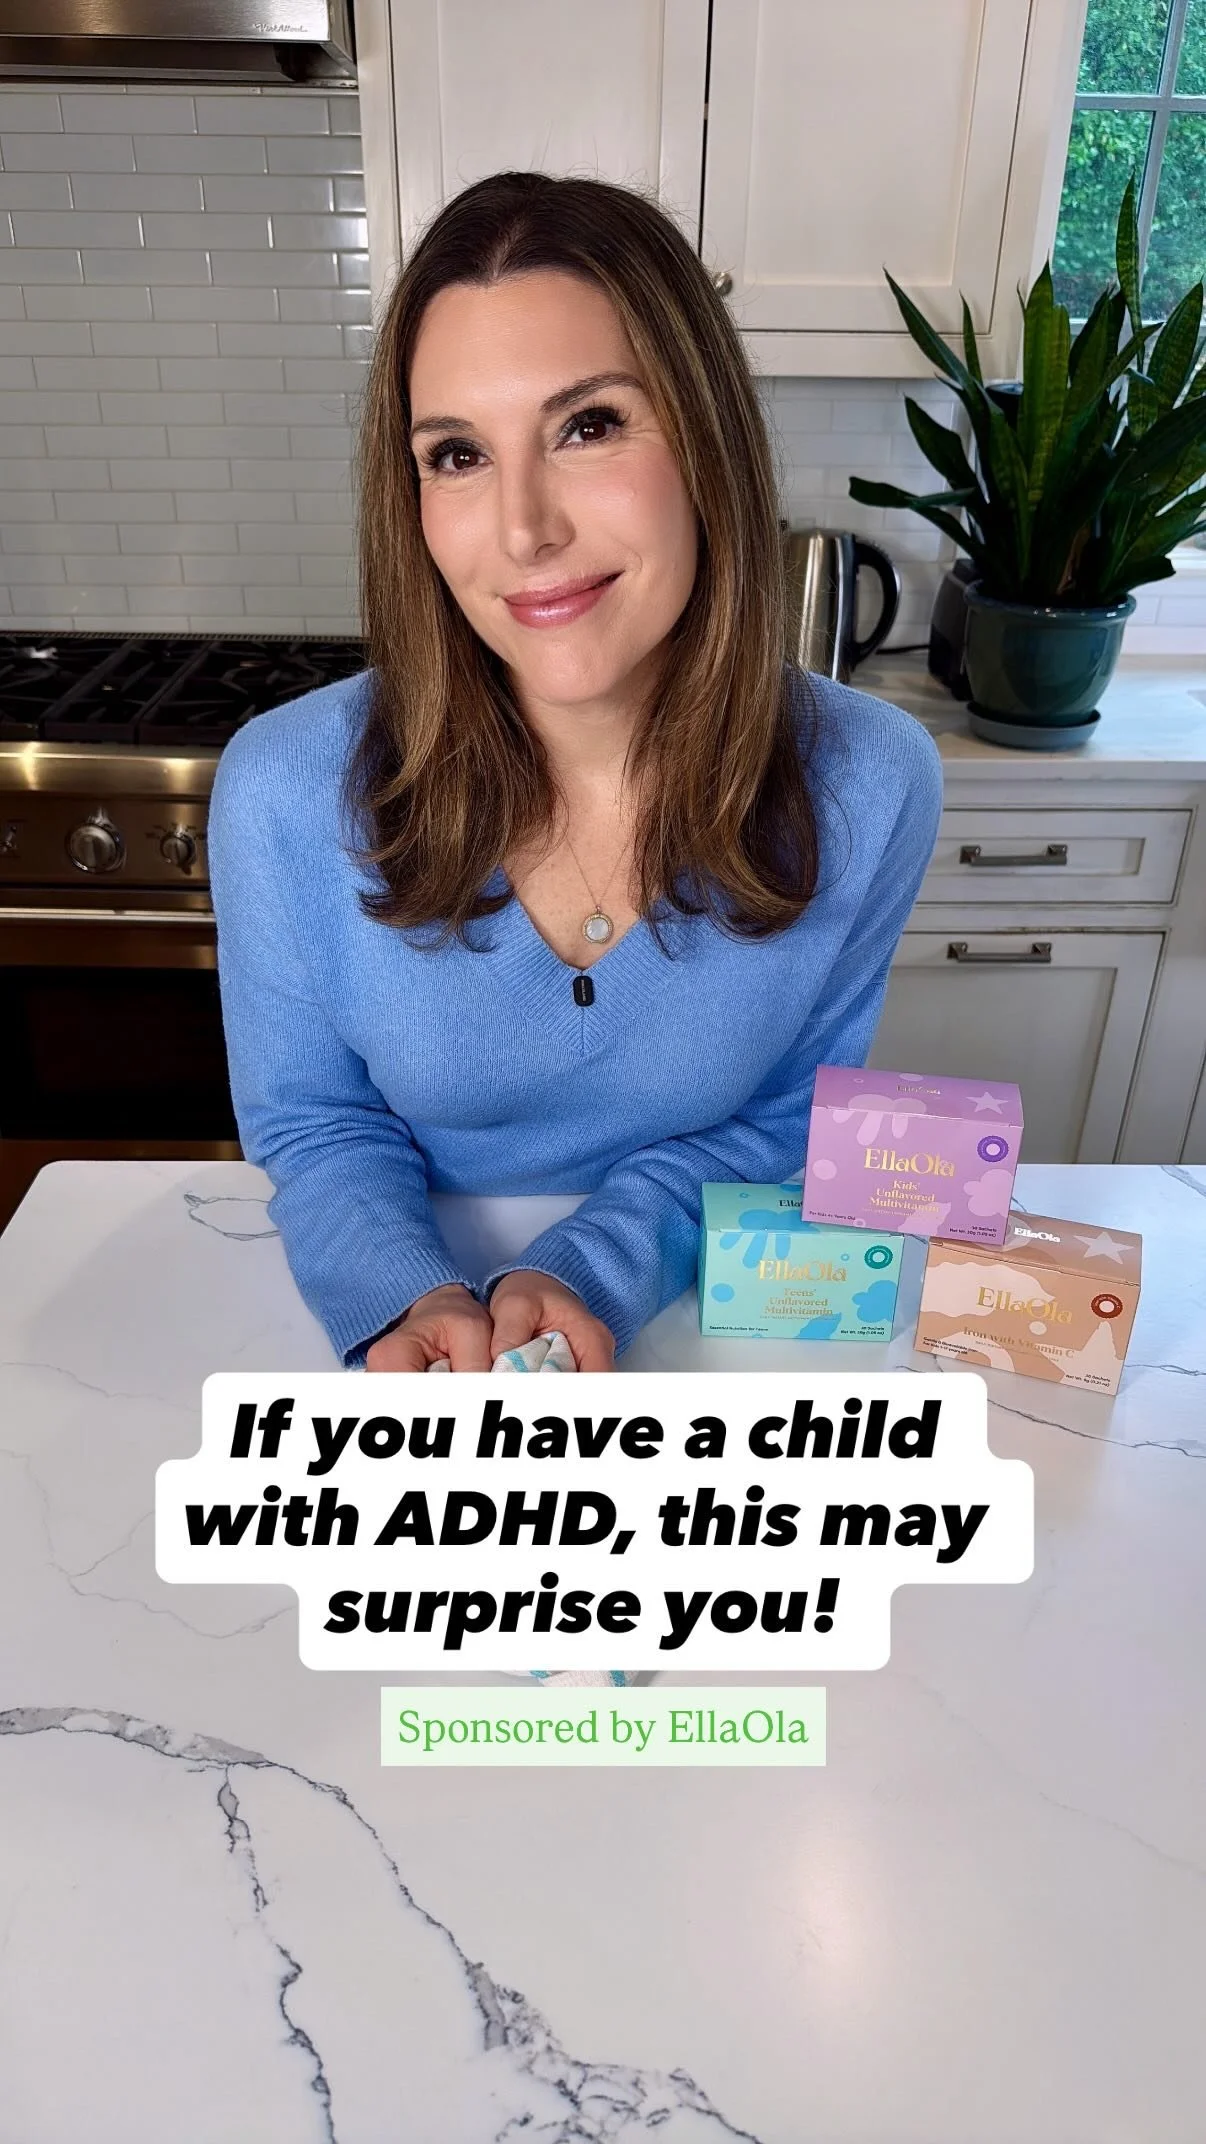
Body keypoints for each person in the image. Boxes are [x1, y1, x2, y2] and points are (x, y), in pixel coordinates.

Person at [207, 170, 943, 1376]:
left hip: (703, 1322)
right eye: (456, 454)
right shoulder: (282, 788)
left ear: (705, 439)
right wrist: (405, 1291)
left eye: (588, 425)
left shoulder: (871, 780)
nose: (523, 529)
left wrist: (588, 1264)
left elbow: (785, 1117)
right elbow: (314, 1120)